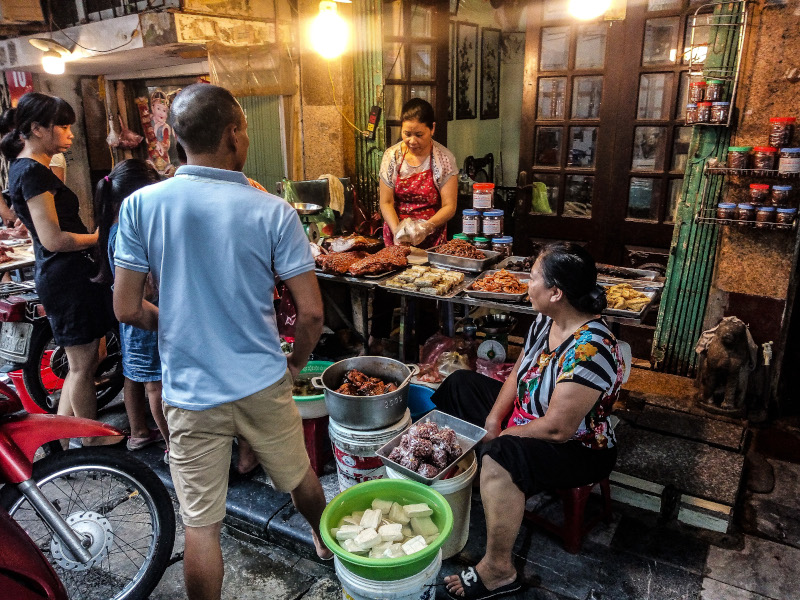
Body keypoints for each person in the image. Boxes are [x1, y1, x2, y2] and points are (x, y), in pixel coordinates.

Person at [113, 83, 331, 600]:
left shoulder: (141, 205)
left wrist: (181, 326)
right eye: (247, 130)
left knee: (202, 526)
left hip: (189, 390)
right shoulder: (272, 211)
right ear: (234, 133)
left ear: (173, 138)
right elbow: (313, 314)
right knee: (301, 479)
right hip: (262, 380)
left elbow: (125, 307)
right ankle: (327, 544)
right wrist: (294, 367)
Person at [432, 243, 625, 600]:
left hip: (577, 448)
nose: (526, 285)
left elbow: (557, 428)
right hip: (527, 415)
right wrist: (492, 419)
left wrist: (502, 435)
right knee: (460, 384)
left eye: (533, 278)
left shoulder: (591, 349)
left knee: (502, 453)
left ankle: (498, 569)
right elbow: (519, 372)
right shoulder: (546, 320)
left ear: (556, 292)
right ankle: (474, 483)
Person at [1, 93, 118, 444]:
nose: (69, 133)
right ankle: (92, 439)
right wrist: (99, 238)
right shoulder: (33, 172)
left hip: (70, 274)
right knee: (82, 365)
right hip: (64, 276)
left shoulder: (29, 169)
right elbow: (53, 239)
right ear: (37, 129)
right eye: (62, 126)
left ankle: (59, 435)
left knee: (89, 355)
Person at [93, 159, 170, 460]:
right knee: (156, 385)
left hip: (130, 317)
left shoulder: (111, 226)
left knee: (135, 376)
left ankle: (138, 433)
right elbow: (147, 289)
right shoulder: (128, 232)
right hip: (145, 314)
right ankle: (172, 446)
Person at [379, 98, 458, 248]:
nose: (412, 141)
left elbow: (449, 206)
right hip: (397, 237)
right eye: (407, 134)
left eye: (419, 134)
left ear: (432, 129)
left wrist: (425, 228)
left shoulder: (444, 158)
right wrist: (398, 231)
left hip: (431, 236)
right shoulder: (392, 157)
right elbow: (386, 202)